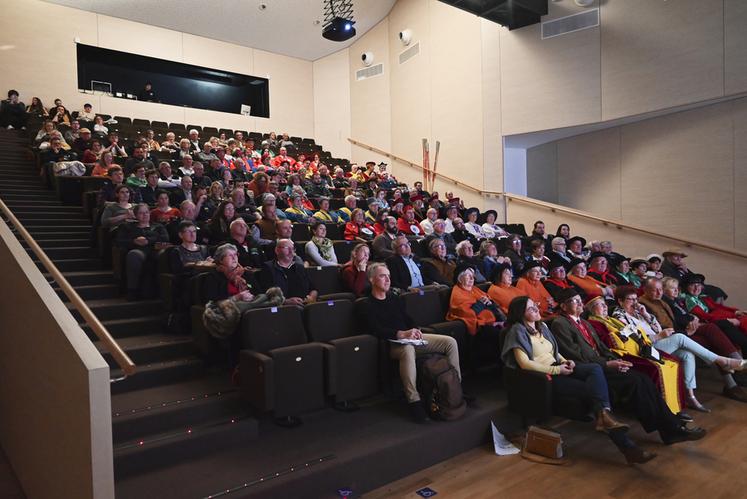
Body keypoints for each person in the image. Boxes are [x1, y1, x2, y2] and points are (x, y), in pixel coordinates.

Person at [501, 295, 656, 465]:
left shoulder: (543, 326)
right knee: (593, 392)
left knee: (595, 369)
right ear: (520, 314)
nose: (537, 309)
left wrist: (563, 360)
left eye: (535, 305)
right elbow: (524, 364)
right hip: (545, 376)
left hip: (559, 367)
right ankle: (627, 447)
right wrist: (556, 369)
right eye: (531, 308)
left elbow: (554, 352)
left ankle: (604, 415)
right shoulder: (517, 330)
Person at [551, 289, 706, 449]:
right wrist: (607, 364)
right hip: (591, 370)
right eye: (574, 301)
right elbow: (574, 354)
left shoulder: (584, 323)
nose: (579, 303)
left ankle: (671, 428)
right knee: (636, 382)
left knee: (643, 379)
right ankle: (670, 430)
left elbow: (603, 348)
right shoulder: (560, 323)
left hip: (604, 364)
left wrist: (615, 360)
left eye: (579, 300)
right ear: (563, 306)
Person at [612, 286, 746, 412]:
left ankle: (690, 395)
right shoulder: (619, 316)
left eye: (636, 299)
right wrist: (657, 336)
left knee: (687, 354)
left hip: (658, 342)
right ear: (620, 300)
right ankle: (721, 360)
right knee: (680, 337)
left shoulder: (638, 312)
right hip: (644, 348)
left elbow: (657, 327)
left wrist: (646, 315)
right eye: (631, 299)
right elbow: (634, 339)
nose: (635, 302)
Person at [365, 263, 463, 423]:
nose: (387, 280)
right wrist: (401, 333)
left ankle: (454, 389)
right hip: (394, 344)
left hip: (410, 338)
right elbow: (375, 329)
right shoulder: (367, 304)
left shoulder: (394, 299)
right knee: (408, 350)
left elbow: (407, 319)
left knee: (450, 342)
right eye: (383, 276)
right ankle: (414, 401)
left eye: (389, 276)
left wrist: (415, 329)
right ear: (371, 279)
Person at [639, 278, 747, 403]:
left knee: (712, 332)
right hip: (672, 338)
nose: (659, 293)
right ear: (645, 290)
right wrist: (687, 330)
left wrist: (692, 320)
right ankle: (733, 379)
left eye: (660, 289)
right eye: (654, 290)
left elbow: (678, 318)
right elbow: (662, 330)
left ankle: (733, 375)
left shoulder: (661, 300)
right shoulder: (644, 305)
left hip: (681, 332)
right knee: (713, 333)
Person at [585, 295, 687, 416]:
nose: (604, 307)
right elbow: (607, 342)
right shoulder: (593, 323)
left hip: (638, 349)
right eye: (600, 305)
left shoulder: (611, 319)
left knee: (673, 362)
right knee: (656, 368)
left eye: (604, 304)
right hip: (621, 354)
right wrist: (620, 336)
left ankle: (676, 408)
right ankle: (660, 410)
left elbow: (630, 330)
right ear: (592, 308)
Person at [115, 204, 170, 301]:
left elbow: (165, 238)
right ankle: (132, 290)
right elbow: (119, 241)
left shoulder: (158, 226)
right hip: (138, 250)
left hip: (155, 250)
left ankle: (161, 291)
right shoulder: (127, 227)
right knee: (134, 255)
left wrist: (148, 240)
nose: (145, 215)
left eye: (146, 212)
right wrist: (134, 241)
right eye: (141, 213)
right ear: (136, 215)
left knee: (164, 255)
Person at [446, 264, 505, 341]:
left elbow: (492, 305)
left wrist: (489, 304)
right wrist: (481, 304)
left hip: (492, 321)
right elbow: (465, 313)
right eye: (468, 275)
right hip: (481, 326)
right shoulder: (457, 292)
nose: (472, 278)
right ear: (460, 279)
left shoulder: (475, 289)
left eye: (472, 275)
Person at [681, 273, 747, 334]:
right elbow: (704, 316)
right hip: (716, 320)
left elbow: (718, 306)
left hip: (723, 315)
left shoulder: (703, 297)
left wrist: (736, 311)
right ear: (686, 287)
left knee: (744, 317)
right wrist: (726, 320)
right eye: (692, 285)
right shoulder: (689, 300)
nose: (696, 288)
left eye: (698, 285)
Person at [259, 239, 318, 306]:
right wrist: (285, 301)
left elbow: (313, 288)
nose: (291, 252)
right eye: (287, 248)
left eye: (292, 249)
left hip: (305, 305)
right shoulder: (268, 268)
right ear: (277, 250)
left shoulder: (300, 267)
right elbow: (266, 295)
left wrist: (312, 297)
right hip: (283, 309)